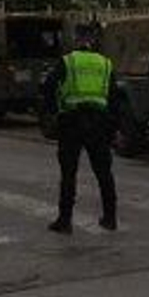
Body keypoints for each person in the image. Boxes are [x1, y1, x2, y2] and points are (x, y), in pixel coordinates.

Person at [47, 25, 117, 234]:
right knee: (104, 172)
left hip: (72, 121)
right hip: (99, 122)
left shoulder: (68, 61)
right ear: (93, 41)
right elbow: (113, 96)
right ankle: (110, 218)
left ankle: (65, 220)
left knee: (69, 173)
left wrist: (53, 113)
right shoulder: (106, 63)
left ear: (76, 40)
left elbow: (49, 86)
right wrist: (112, 125)